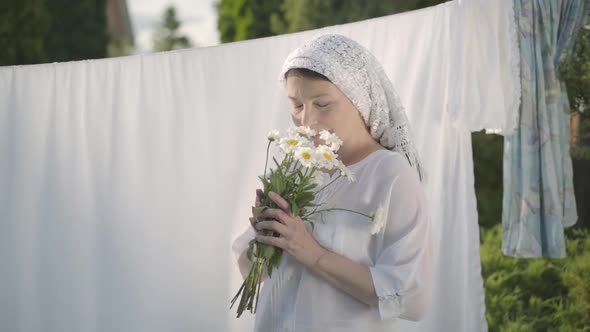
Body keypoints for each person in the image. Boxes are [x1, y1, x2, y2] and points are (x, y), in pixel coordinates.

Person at [231, 34, 433, 331]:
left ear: (360, 98)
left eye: (322, 104)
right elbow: (249, 269)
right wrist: (266, 235)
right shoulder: (299, 168)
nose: (307, 121)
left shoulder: (391, 175)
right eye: (297, 105)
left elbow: (411, 297)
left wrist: (312, 253)